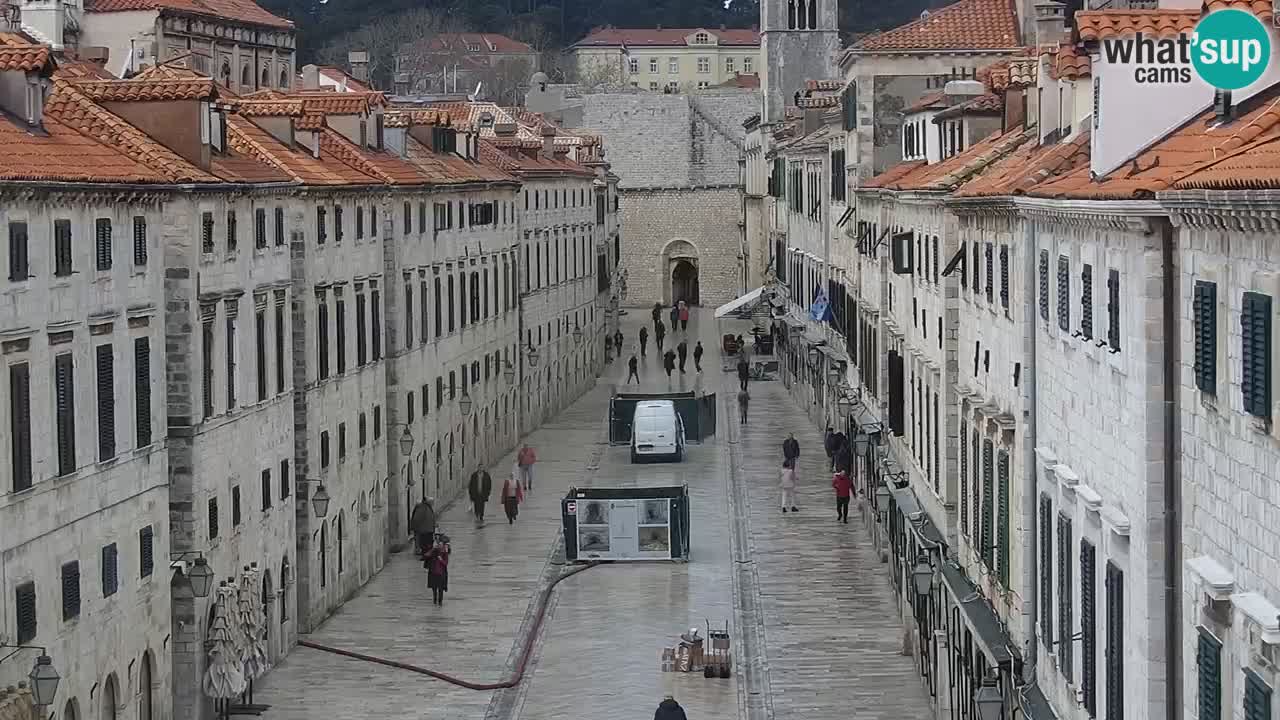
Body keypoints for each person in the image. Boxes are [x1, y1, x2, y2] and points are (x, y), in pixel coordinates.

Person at [423, 534, 451, 606]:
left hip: (441, 574)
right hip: (433, 573)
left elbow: (446, 563)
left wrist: (441, 559)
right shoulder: (434, 551)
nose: (440, 545)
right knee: (434, 589)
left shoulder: (445, 553)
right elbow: (425, 556)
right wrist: (433, 550)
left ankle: (440, 602)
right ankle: (435, 601)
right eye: (439, 544)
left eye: (441, 544)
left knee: (441, 589)